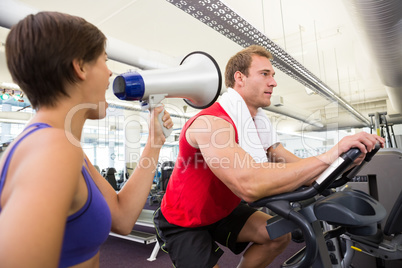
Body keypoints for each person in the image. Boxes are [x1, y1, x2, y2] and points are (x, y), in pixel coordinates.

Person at [153, 45, 385, 268]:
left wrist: (341, 161)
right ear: (240, 78)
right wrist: (330, 155)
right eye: (264, 74)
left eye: (273, 75)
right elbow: (250, 185)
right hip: (183, 219)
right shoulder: (212, 124)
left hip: (221, 210)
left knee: (277, 235)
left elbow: (300, 168)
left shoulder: (258, 125)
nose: (273, 82)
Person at [0, 11, 173, 268]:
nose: (109, 72)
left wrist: (154, 142)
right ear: (80, 66)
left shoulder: (67, 148)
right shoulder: (53, 147)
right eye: (103, 60)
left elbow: (123, 217)